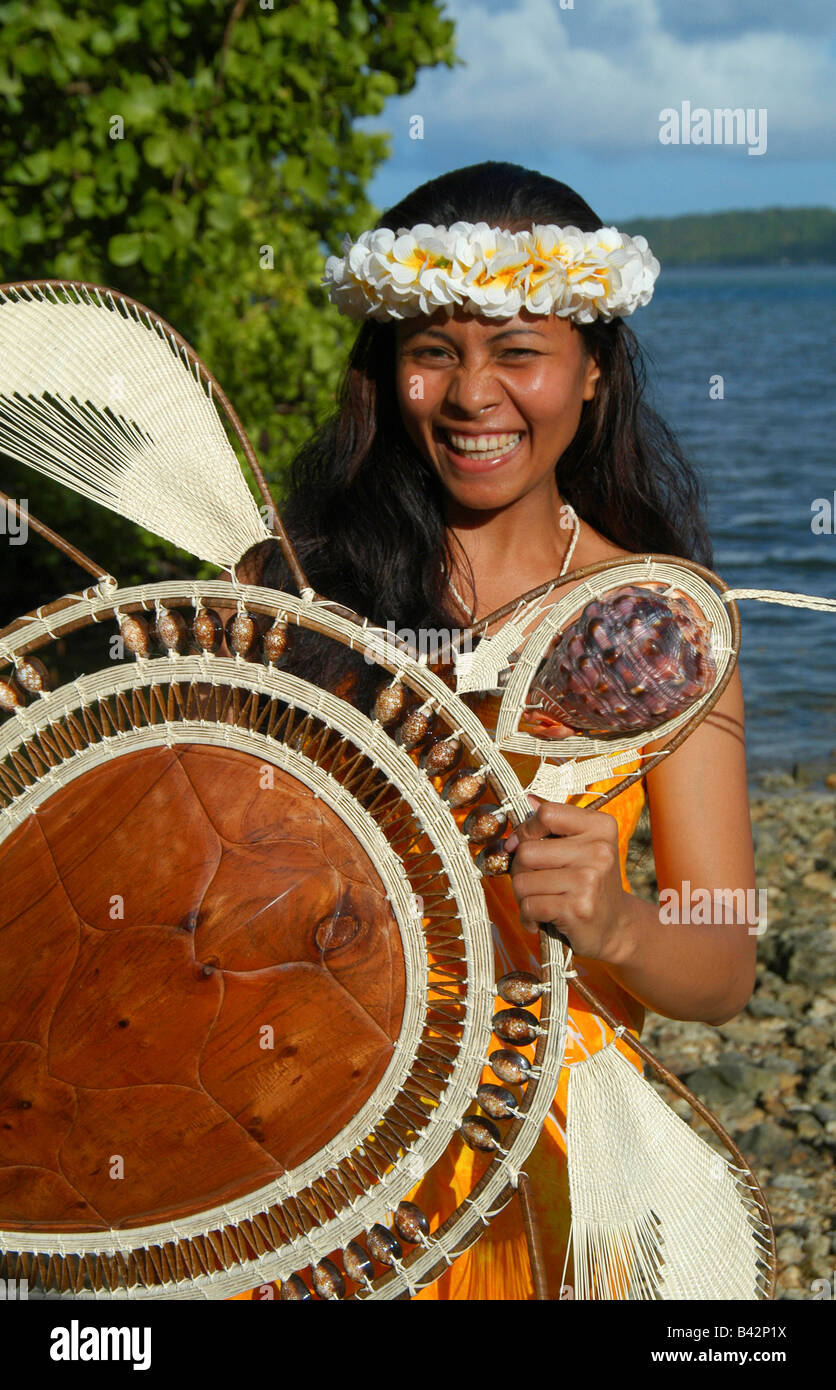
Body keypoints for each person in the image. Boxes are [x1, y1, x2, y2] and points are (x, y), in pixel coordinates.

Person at [232, 160, 757, 1300]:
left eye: (517, 351)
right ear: (386, 372)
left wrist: (616, 920)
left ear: (594, 373)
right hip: (309, 1123)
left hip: (551, 1146)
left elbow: (720, 964)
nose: (474, 395)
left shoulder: (667, 627)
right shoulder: (286, 593)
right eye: (432, 352)